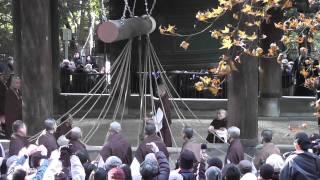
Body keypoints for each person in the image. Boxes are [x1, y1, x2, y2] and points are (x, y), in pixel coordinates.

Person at [156, 81, 172, 147]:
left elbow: (163, 115)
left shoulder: (165, 102)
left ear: (162, 91)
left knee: (164, 142)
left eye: (157, 90)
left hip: (163, 125)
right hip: (164, 124)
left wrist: (153, 119)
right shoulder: (163, 99)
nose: (156, 92)